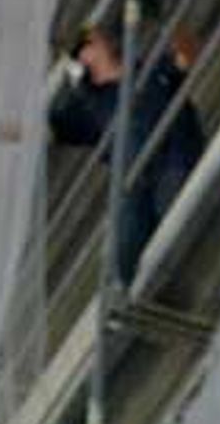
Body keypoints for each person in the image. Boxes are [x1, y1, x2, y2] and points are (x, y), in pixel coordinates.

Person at [49, 18, 206, 285]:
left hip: (175, 161)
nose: (102, 39)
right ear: (84, 56)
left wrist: (167, 20)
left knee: (175, 205)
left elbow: (188, 55)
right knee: (126, 249)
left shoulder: (150, 69)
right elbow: (36, 131)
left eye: (96, 36)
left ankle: (178, 276)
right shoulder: (89, 107)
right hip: (136, 186)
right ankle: (139, 294)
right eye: (90, 41)